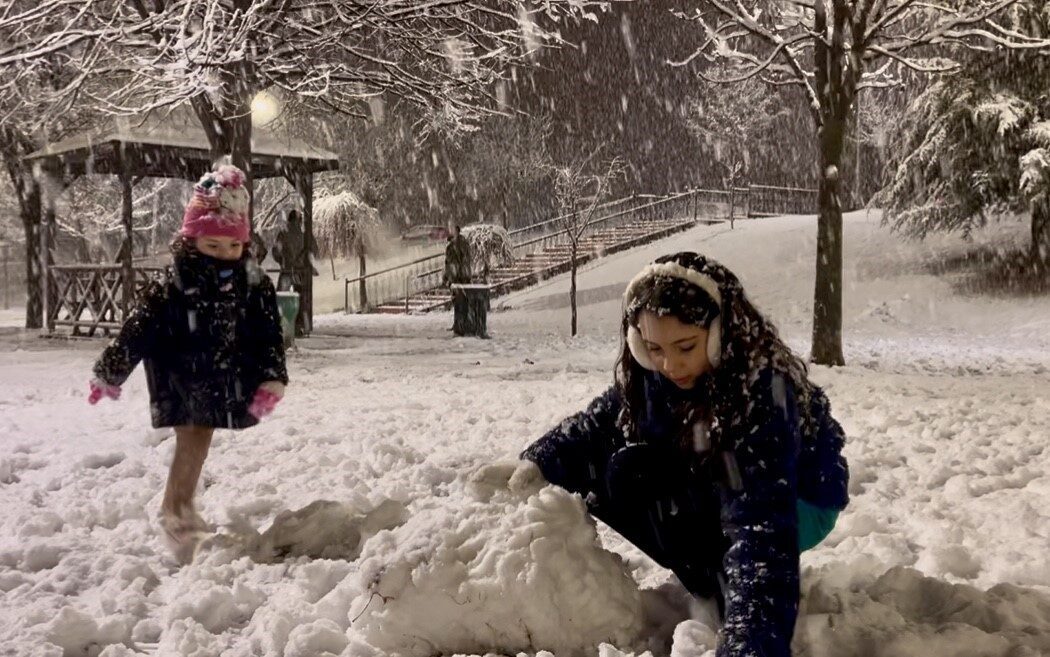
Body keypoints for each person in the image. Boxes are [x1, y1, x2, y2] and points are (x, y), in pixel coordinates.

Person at [516, 252, 849, 657]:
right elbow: (595, 427)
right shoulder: (653, 374)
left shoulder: (761, 390)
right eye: (653, 347)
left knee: (659, 476)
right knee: (618, 468)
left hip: (798, 501)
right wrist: (536, 462)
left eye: (685, 346)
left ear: (721, 332)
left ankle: (720, 585)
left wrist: (751, 641)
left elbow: (762, 527)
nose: (670, 364)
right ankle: (709, 568)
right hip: (723, 474)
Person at [88, 164, 289, 564]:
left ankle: (179, 508)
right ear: (192, 239)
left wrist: (271, 376)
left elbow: (268, 333)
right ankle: (177, 511)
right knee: (193, 435)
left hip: (220, 373)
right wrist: (111, 370)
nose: (224, 254)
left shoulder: (253, 283)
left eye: (233, 246)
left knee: (200, 437)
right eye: (212, 246)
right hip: (180, 373)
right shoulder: (175, 283)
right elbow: (138, 329)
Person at [443, 225, 473, 335]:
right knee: (457, 301)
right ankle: (458, 324)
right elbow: (448, 263)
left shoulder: (461, 244)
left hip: (461, 277)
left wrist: (455, 274)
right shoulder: (453, 245)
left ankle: (462, 325)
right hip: (456, 278)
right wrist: (447, 276)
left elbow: (461, 261)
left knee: (462, 302)